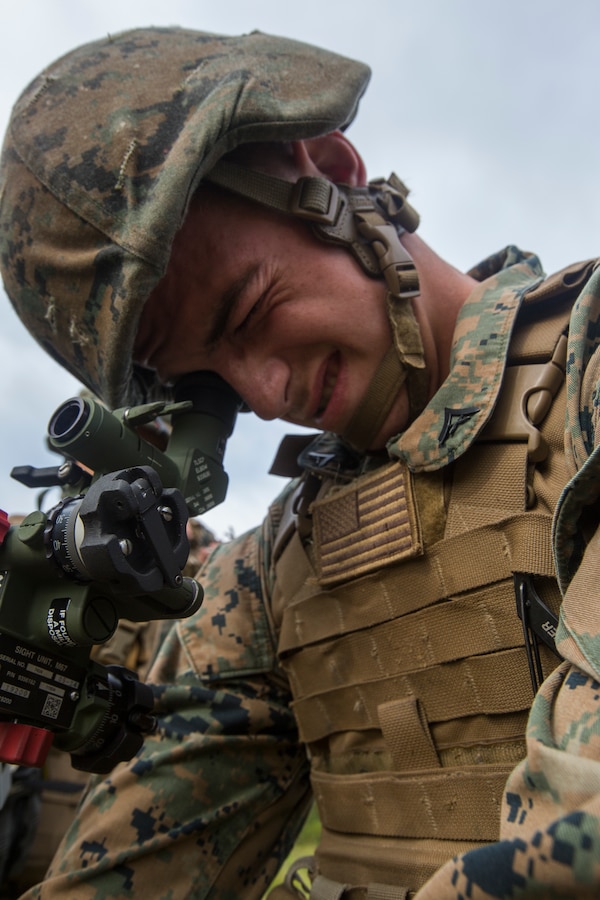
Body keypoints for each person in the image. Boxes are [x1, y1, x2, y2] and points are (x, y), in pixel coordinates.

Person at [0, 24, 599, 900]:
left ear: (335, 171)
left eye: (248, 309)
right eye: (207, 382)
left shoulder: (584, 378)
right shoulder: (274, 573)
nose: (269, 390)